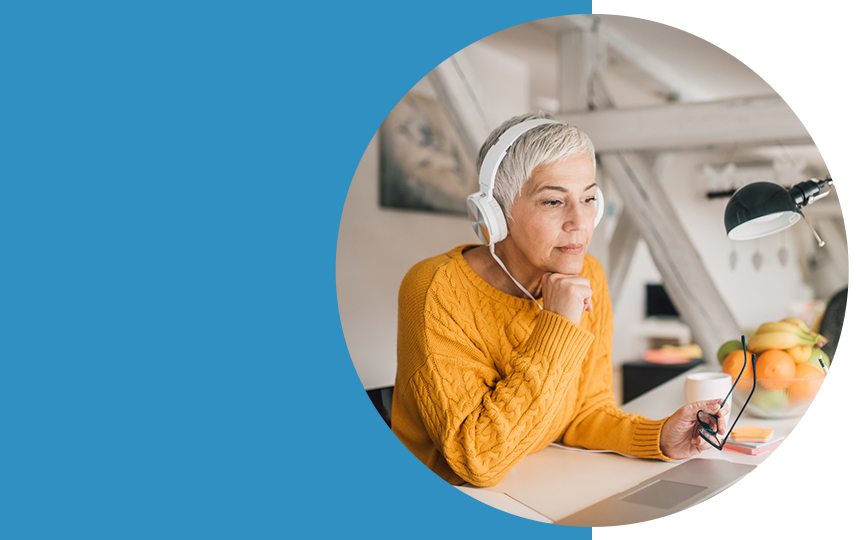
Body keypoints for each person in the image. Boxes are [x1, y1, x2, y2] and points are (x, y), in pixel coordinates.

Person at [390, 112, 728, 488]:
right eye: (553, 202)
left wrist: (660, 435)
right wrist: (558, 325)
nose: (579, 222)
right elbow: (478, 461)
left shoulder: (589, 276)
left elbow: (586, 410)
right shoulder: (435, 289)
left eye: (588, 198)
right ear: (495, 214)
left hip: (537, 483)